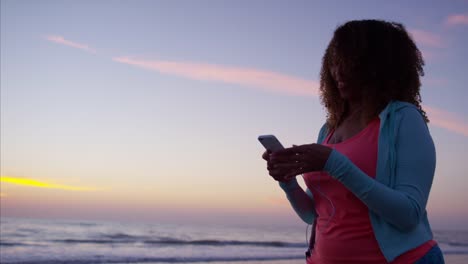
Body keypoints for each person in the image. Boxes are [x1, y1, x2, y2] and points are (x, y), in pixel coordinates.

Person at [262, 20, 444, 263]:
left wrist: (333, 163)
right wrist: (288, 182)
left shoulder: (403, 118)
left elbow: (408, 214)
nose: (339, 71)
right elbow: (312, 214)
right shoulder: (328, 129)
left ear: (379, 65)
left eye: (350, 62)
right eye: (335, 62)